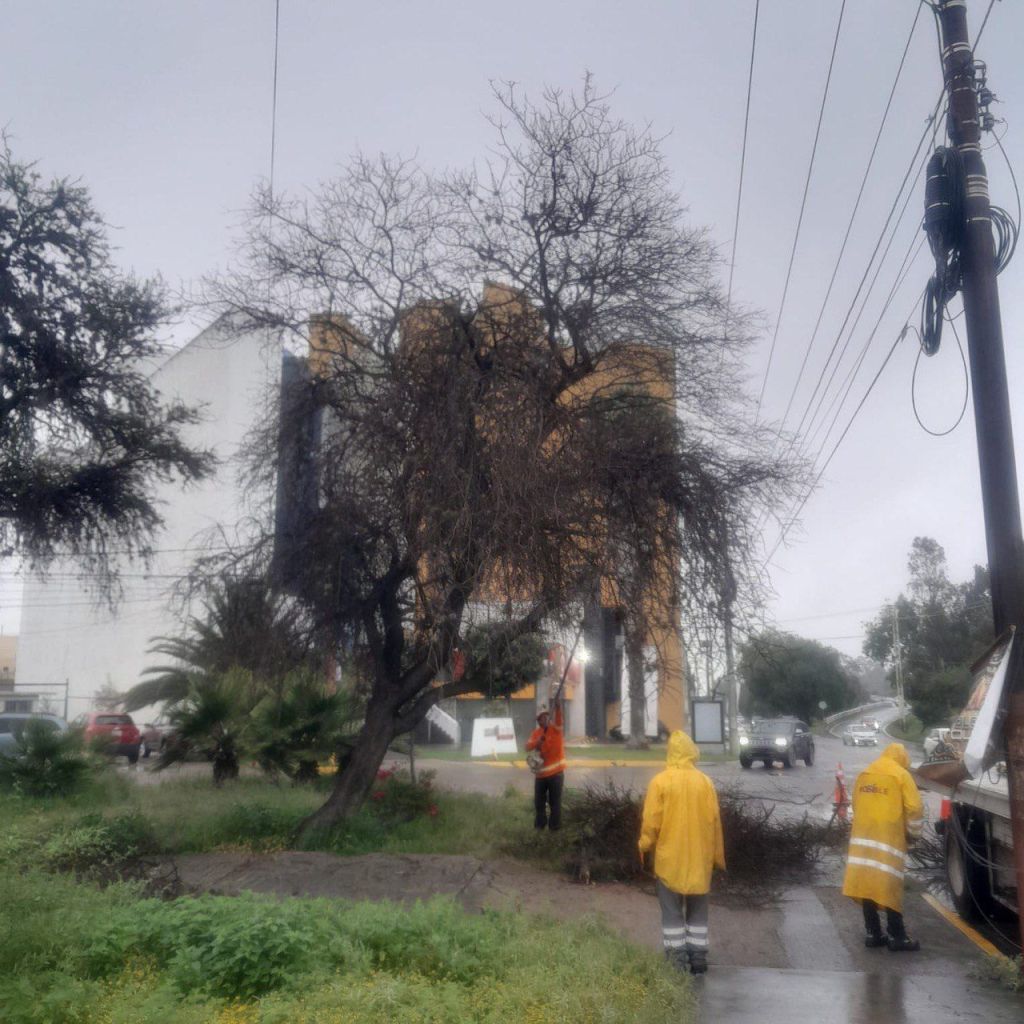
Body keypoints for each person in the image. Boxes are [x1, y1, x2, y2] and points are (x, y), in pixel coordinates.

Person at [638, 731, 725, 975]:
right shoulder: (705, 783)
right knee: (698, 910)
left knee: (672, 911)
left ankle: (676, 960)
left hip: (669, 861)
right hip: (700, 860)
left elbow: (651, 822)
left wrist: (644, 845)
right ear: (692, 752)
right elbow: (715, 823)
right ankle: (698, 959)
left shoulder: (660, 782)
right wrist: (717, 857)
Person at [842, 742, 924, 952]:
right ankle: (897, 936)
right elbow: (914, 808)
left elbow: (856, 803)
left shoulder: (866, 772)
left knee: (867, 883)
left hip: (863, 837)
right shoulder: (901, 775)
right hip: (889, 839)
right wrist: (913, 834)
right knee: (889, 885)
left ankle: (873, 933)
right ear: (902, 759)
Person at [525, 699, 565, 829]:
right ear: (538, 720)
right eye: (542, 717)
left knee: (555, 803)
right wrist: (537, 742)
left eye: (547, 716)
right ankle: (539, 827)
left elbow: (559, 720)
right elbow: (527, 746)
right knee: (539, 803)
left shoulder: (556, 729)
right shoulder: (536, 733)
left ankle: (554, 829)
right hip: (541, 776)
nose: (545, 719)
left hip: (556, 774)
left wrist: (558, 708)